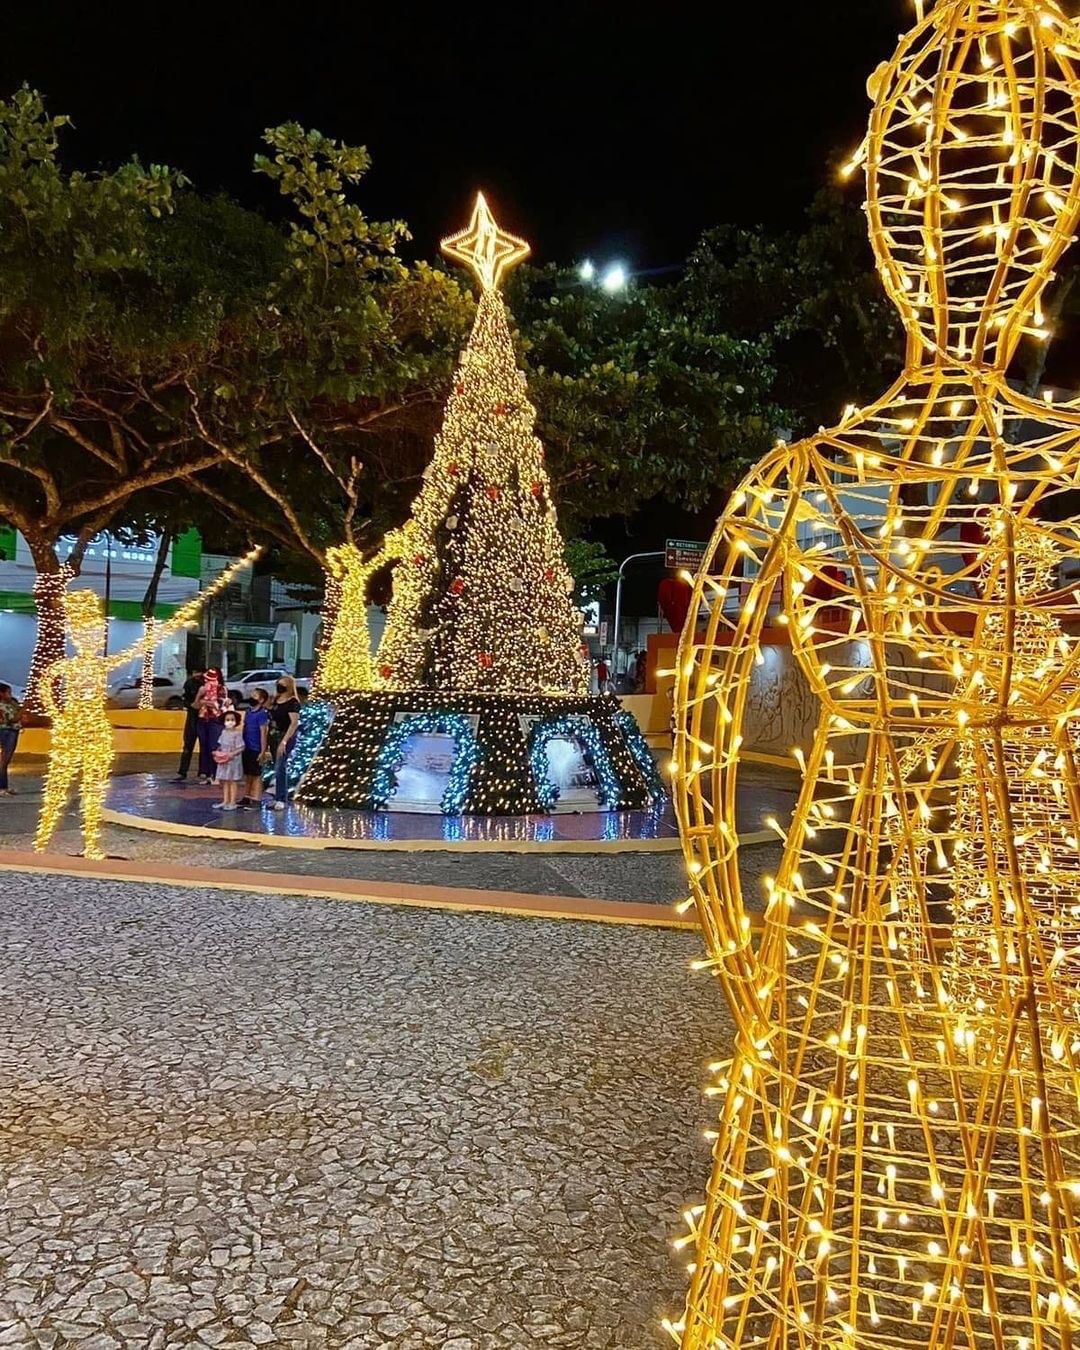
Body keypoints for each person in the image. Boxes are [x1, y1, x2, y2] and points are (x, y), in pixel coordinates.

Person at [269, 675, 301, 811]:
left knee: (281, 766)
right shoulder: (276, 700)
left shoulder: (292, 702)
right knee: (277, 767)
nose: (279, 686)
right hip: (274, 735)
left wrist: (284, 741)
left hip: (286, 736)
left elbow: (294, 723)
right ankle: (277, 797)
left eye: (282, 684)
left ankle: (282, 798)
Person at [194, 667, 229, 784]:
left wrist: (205, 701)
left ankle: (216, 775)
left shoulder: (221, 689)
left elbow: (219, 705)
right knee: (205, 747)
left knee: (213, 746)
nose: (208, 682)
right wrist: (200, 695)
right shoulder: (202, 690)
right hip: (203, 720)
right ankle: (208, 774)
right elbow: (195, 705)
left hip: (215, 721)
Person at [173, 664, 205, 782]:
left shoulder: (207, 684)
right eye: (195, 672)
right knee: (187, 746)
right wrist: (190, 705)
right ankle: (182, 772)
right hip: (192, 717)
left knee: (204, 746)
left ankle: (203, 772)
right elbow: (184, 699)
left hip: (204, 718)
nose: (197, 675)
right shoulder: (189, 684)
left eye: (200, 672)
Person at [240, 688, 271, 808]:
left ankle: (257, 799)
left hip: (256, 747)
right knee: (248, 774)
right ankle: (247, 796)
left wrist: (263, 750)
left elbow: (263, 732)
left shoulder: (262, 714)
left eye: (255, 695)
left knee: (256, 775)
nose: (252, 697)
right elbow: (245, 728)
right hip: (246, 747)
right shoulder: (248, 712)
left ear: (261, 700)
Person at [211, 710, 244, 811]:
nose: (230, 722)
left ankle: (232, 802)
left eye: (232, 720)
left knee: (233, 781)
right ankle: (225, 800)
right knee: (225, 781)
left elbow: (241, 747)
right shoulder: (223, 732)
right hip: (224, 760)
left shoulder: (237, 734)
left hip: (233, 761)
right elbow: (221, 745)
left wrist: (231, 754)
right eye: (228, 720)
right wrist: (218, 751)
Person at [0, 683, 21, 796]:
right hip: (6, 731)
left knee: (5, 761)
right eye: (8, 693)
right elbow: (13, 719)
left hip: (13, 731)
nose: (10, 695)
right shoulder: (2, 706)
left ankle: (4, 786)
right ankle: (2, 787)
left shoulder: (12, 703)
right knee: (4, 761)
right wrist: (24, 710)